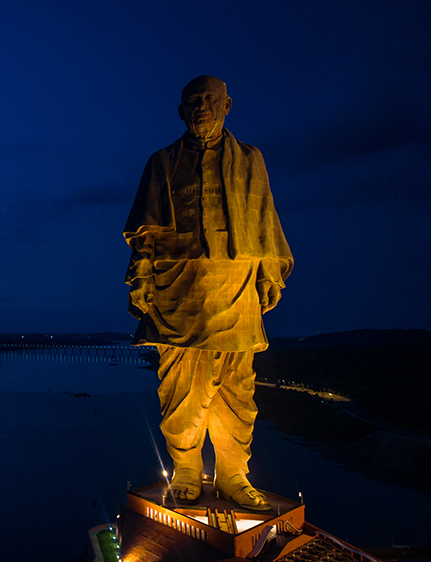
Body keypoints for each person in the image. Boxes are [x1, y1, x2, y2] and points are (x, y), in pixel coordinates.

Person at [123, 76, 293, 511]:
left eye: (209, 100)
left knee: (237, 389)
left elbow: (265, 220)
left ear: (227, 105)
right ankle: (185, 468)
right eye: (193, 102)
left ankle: (233, 472)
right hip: (179, 290)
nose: (201, 107)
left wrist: (269, 273)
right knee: (181, 391)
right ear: (181, 112)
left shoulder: (251, 160)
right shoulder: (162, 163)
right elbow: (144, 233)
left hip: (236, 286)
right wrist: (141, 280)